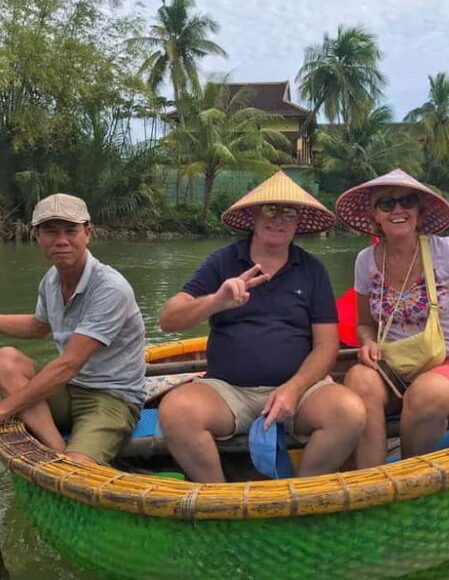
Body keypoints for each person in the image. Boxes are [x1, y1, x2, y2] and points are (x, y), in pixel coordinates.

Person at [157, 171, 366, 483]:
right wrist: (216, 300)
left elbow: (326, 345)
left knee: (349, 412)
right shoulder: (222, 262)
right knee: (175, 412)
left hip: (301, 391)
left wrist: (293, 389)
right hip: (227, 391)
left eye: (289, 213)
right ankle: (219, 501)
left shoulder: (312, 270)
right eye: (269, 210)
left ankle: (301, 495)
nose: (278, 219)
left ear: (299, 223)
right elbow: (168, 319)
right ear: (253, 216)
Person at [0, 193, 146, 465]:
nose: (61, 241)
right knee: (4, 360)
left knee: (75, 472)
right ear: (36, 235)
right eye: (50, 231)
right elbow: (39, 326)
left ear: (88, 233)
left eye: (71, 230)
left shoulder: (110, 288)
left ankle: (71, 460)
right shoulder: (52, 279)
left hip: (111, 398)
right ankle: (57, 447)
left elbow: (69, 363)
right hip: (69, 389)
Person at [334, 169, 449, 467]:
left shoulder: (446, 251)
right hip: (395, 371)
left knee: (424, 394)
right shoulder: (365, 260)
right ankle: (370, 481)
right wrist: (367, 341)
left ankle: (409, 481)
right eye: (386, 203)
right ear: (375, 216)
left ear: (419, 213)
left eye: (407, 201)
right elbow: (365, 323)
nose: (397, 209)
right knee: (358, 379)